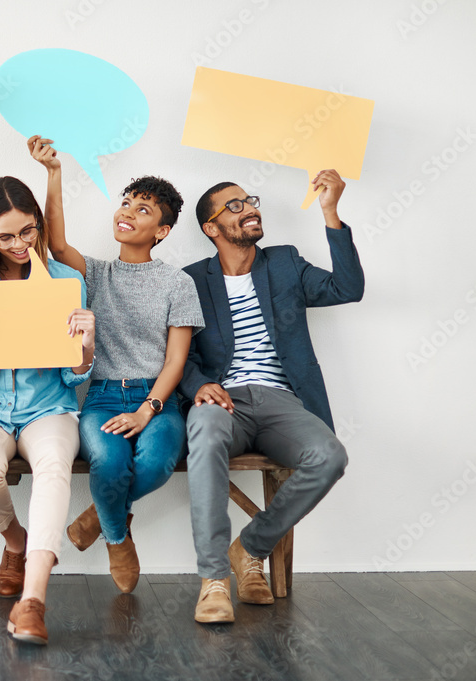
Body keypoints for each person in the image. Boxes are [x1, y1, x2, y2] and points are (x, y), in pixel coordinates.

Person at [181, 172, 364, 624]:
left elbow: (348, 289)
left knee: (329, 456)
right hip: (224, 401)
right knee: (203, 432)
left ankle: (249, 547)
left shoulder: (284, 263)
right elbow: (173, 354)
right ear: (212, 227)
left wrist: (330, 212)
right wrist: (196, 385)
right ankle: (214, 580)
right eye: (236, 206)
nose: (250, 209)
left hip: (283, 400)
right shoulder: (190, 280)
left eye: (250, 201)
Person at [28, 136, 204, 594]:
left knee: (159, 461)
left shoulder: (178, 283)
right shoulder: (95, 272)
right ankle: (117, 537)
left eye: (142, 210)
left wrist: (148, 409)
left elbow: (176, 360)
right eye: (125, 203)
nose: (127, 212)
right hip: (103, 395)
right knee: (108, 462)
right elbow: (54, 242)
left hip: (158, 398)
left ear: (162, 231)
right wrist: (53, 173)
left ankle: (98, 515)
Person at [0, 176, 95, 645]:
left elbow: (75, 375)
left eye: (27, 231)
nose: (19, 245)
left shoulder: (68, 281)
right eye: (5, 236)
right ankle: (15, 541)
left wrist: (85, 348)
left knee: (54, 468)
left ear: (39, 224)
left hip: (47, 405)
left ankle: (32, 600)